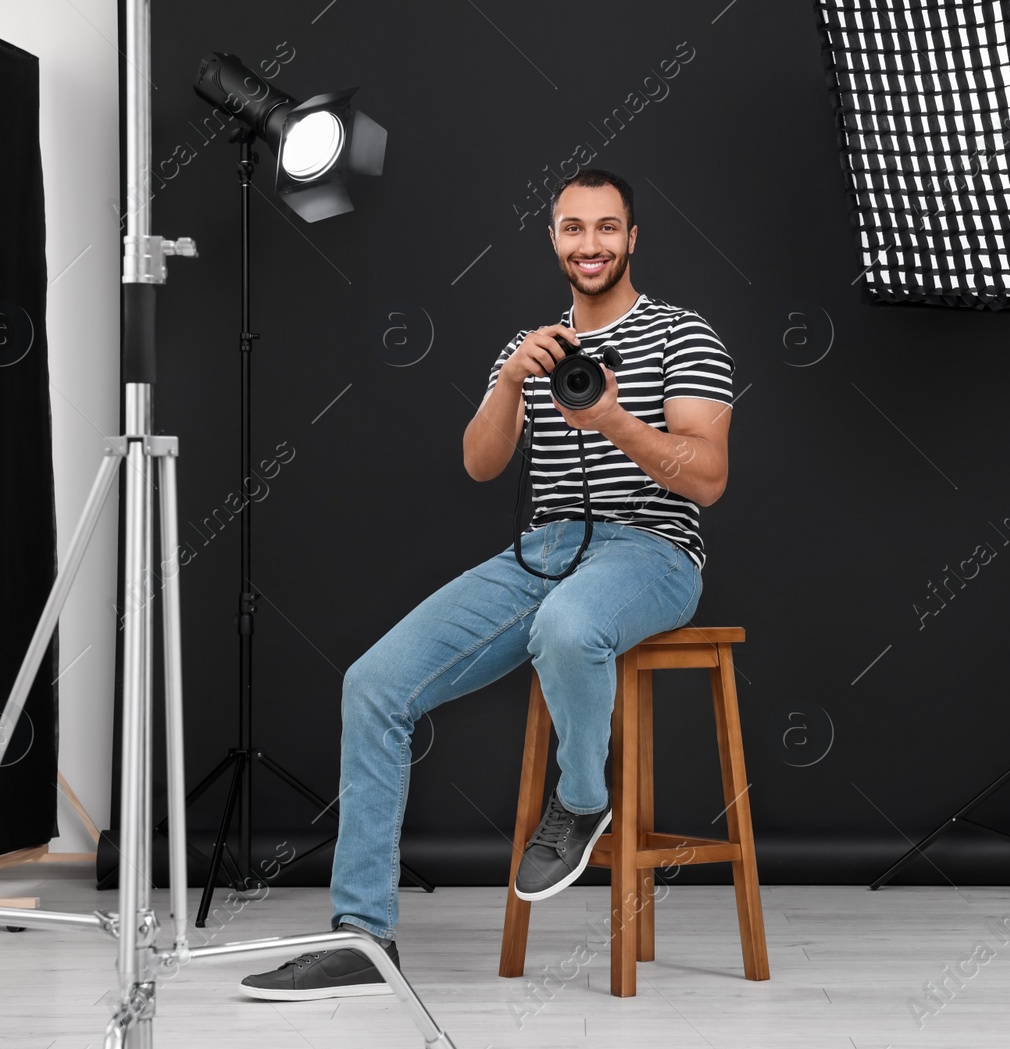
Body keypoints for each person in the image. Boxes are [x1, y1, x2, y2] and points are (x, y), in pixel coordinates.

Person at [239, 168, 735, 1000]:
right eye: (573, 228)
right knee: (373, 685)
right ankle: (363, 936)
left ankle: (580, 801)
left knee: (571, 626)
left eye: (607, 228)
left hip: (651, 552)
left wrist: (611, 417)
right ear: (552, 239)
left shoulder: (685, 335)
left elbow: (709, 479)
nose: (590, 244)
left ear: (633, 239)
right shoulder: (528, 346)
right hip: (540, 549)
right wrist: (511, 380)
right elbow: (479, 463)